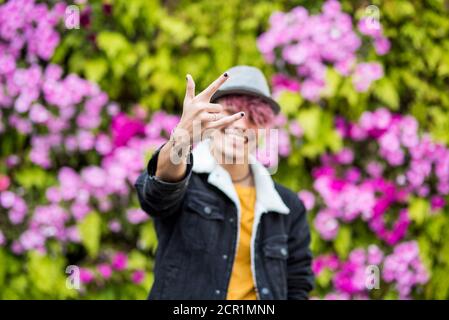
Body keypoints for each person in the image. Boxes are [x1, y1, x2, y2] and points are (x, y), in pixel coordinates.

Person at [135, 65, 314, 300]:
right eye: (230, 112)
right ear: (209, 117)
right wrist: (181, 141)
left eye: (253, 118)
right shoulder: (188, 181)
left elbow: (298, 283)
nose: (240, 124)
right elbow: (156, 194)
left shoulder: (287, 206)